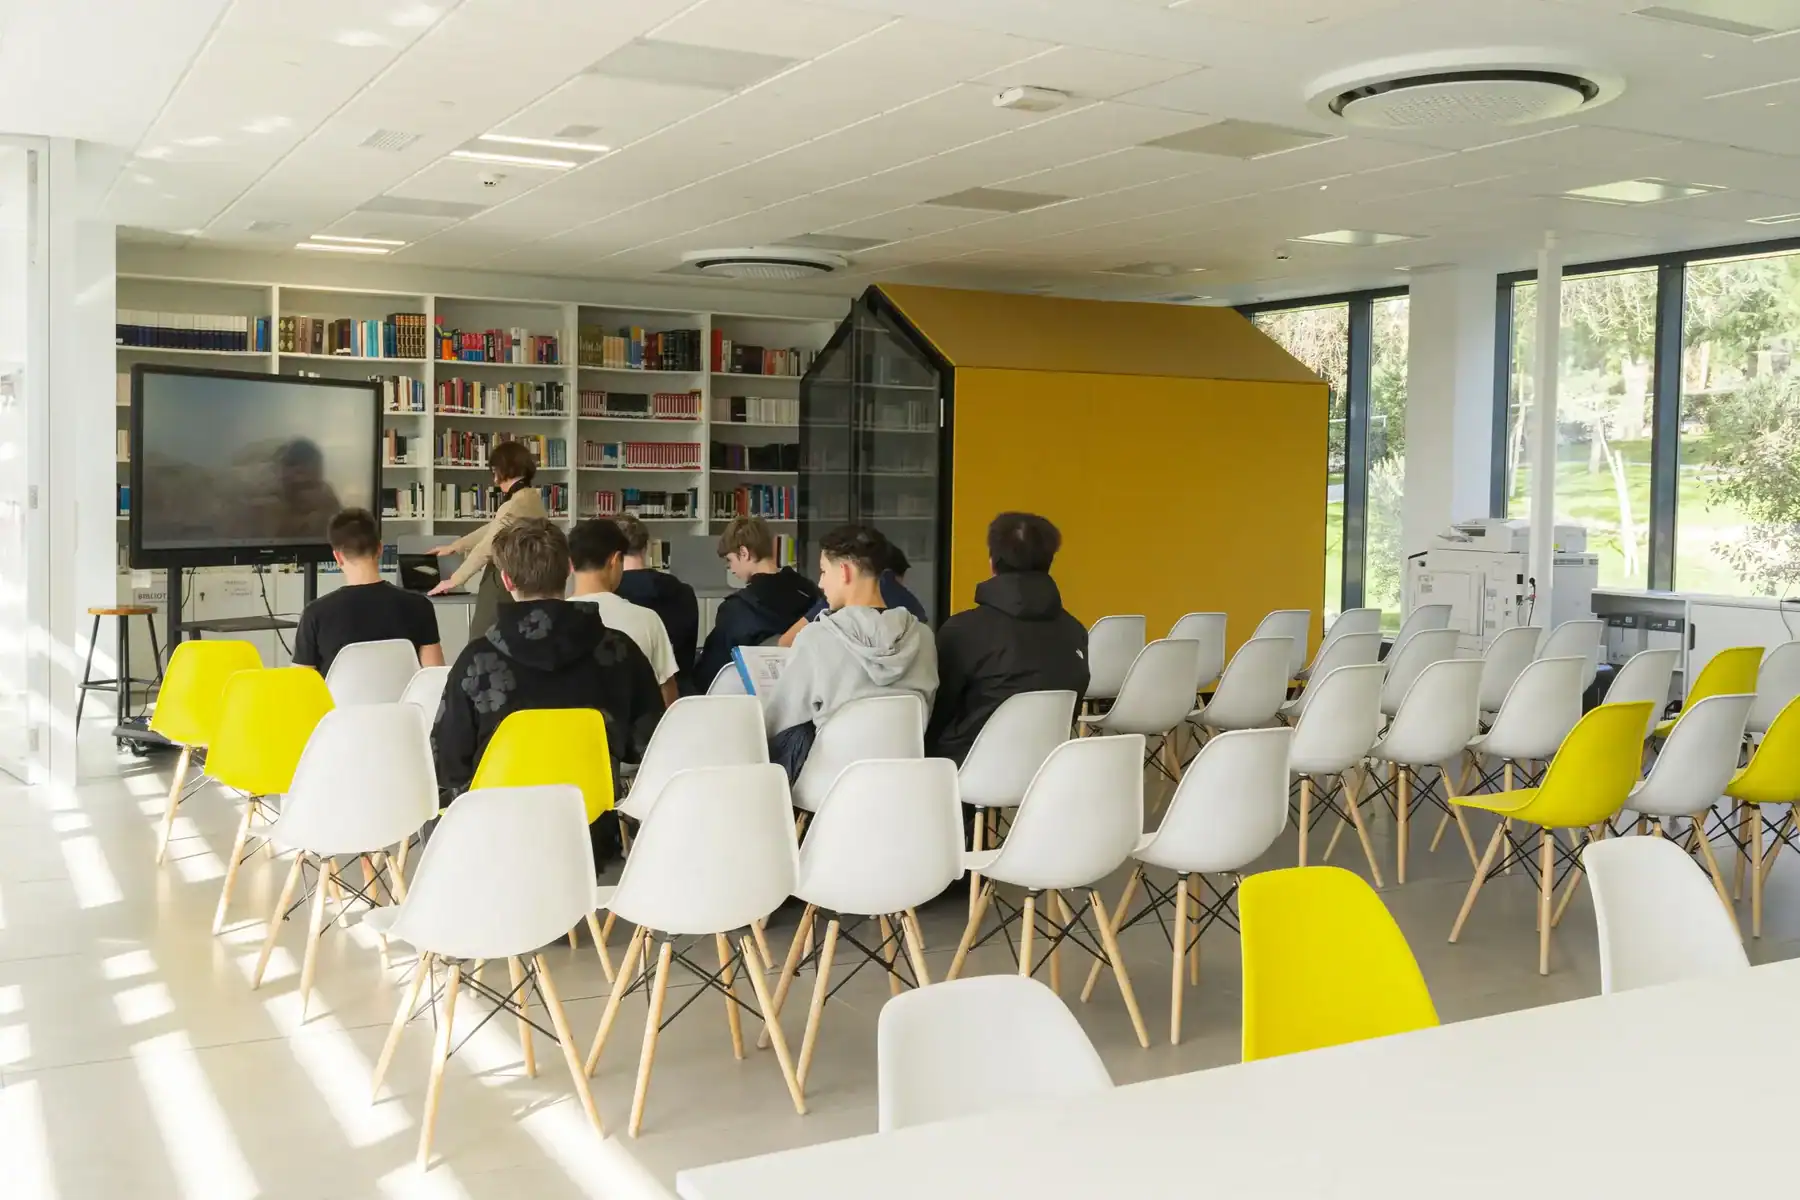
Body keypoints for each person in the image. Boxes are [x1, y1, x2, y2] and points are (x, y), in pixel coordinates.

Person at [432, 518, 664, 868]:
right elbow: (648, 744)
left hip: (494, 835)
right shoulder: (619, 650)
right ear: (568, 569)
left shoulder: (476, 661)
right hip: (587, 835)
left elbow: (447, 762)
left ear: (507, 580)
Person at [763, 524, 937, 780]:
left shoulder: (817, 638)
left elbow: (778, 722)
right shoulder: (922, 638)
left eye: (823, 571)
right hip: (901, 780)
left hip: (828, 784)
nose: (821, 583)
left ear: (844, 571)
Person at [926, 512, 1088, 764]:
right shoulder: (1074, 630)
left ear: (992, 562)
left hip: (970, 768)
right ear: (1049, 561)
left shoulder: (962, 631)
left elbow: (938, 713)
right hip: (1046, 765)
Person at [293, 507, 444, 678]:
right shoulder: (420, 606)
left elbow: (302, 686)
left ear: (337, 557)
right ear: (380, 549)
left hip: (341, 705)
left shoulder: (315, 614)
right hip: (402, 705)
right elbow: (434, 678)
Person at [425, 440, 545, 641]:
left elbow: (487, 547)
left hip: (502, 579)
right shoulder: (531, 498)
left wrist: (453, 580)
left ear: (503, 469)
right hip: (528, 578)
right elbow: (494, 527)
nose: (494, 479)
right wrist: (455, 547)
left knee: (481, 638)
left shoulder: (513, 505)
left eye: (494, 471)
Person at [693, 515, 820, 692]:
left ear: (744, 553)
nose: (731, 569)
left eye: (730, 561)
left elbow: (712, 674)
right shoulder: (812, 594)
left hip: (754, 702)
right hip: (806, 693)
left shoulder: (735, 609)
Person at [567, 518, 681, 707]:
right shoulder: (648, 620)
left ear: (570, 564)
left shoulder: (555, 620)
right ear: (615, 560)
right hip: (632, 734)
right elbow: (668, 698)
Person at [779, 531, 926, 646]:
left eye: (824, 571)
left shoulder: (821, 631)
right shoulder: (919, 632)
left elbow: (786, 642)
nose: (820, 584)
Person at [614, 513, 700, 692]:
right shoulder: (684, 592)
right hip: (678, 698)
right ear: (646, 547)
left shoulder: (609, 595)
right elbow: (687, 658)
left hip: (627, 697)